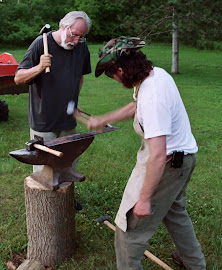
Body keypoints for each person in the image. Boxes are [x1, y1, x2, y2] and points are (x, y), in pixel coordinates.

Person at [87, 37, 206, 270]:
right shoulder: (154, 74)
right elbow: (135, 106)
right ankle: (195, 264)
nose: (114, 80)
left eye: (111, 75)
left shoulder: (153, 95)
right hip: (183, 160)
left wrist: (143, 200)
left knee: (129, 231)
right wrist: (104, 119)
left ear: (120, 70)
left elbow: (159, 154)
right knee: (175, 214)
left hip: (169, 165)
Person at [14, 11, 92, 177]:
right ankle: (48, 202)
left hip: (68, 120)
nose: (77, 41)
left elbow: (80, 77)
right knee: (45, 172)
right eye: (74, 35)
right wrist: (39, 67)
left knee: (68, 165)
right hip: (44, 121)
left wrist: (73, 101)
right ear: (63, 26)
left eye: (81, 37)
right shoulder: (41, 44)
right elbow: (18, 78)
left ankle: (67, 201)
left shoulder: (81, 47)